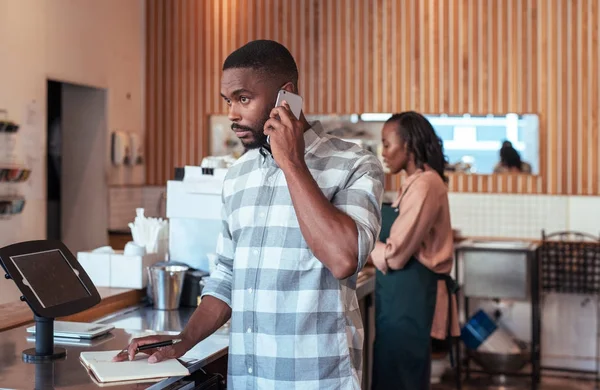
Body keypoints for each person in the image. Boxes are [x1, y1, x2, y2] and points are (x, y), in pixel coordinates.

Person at [114, 40, 384, 389]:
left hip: (317, 379)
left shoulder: (355, 165)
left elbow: (344, 258)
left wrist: (291, 162)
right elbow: (226, 277)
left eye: (243, 99)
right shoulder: (238, 177)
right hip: (248, 380)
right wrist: (181, 342)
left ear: (285, 97)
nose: (231, 114)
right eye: (228, 101)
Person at [369, 111, 460, 390]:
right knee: (392, 370)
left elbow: (396, 255)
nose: (383, 152)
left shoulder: (425, 184)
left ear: (407, 146)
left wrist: (360, 244)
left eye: (387, 144)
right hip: (401, 296)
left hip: (412, 296)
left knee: (403, 375)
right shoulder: (412, 182)